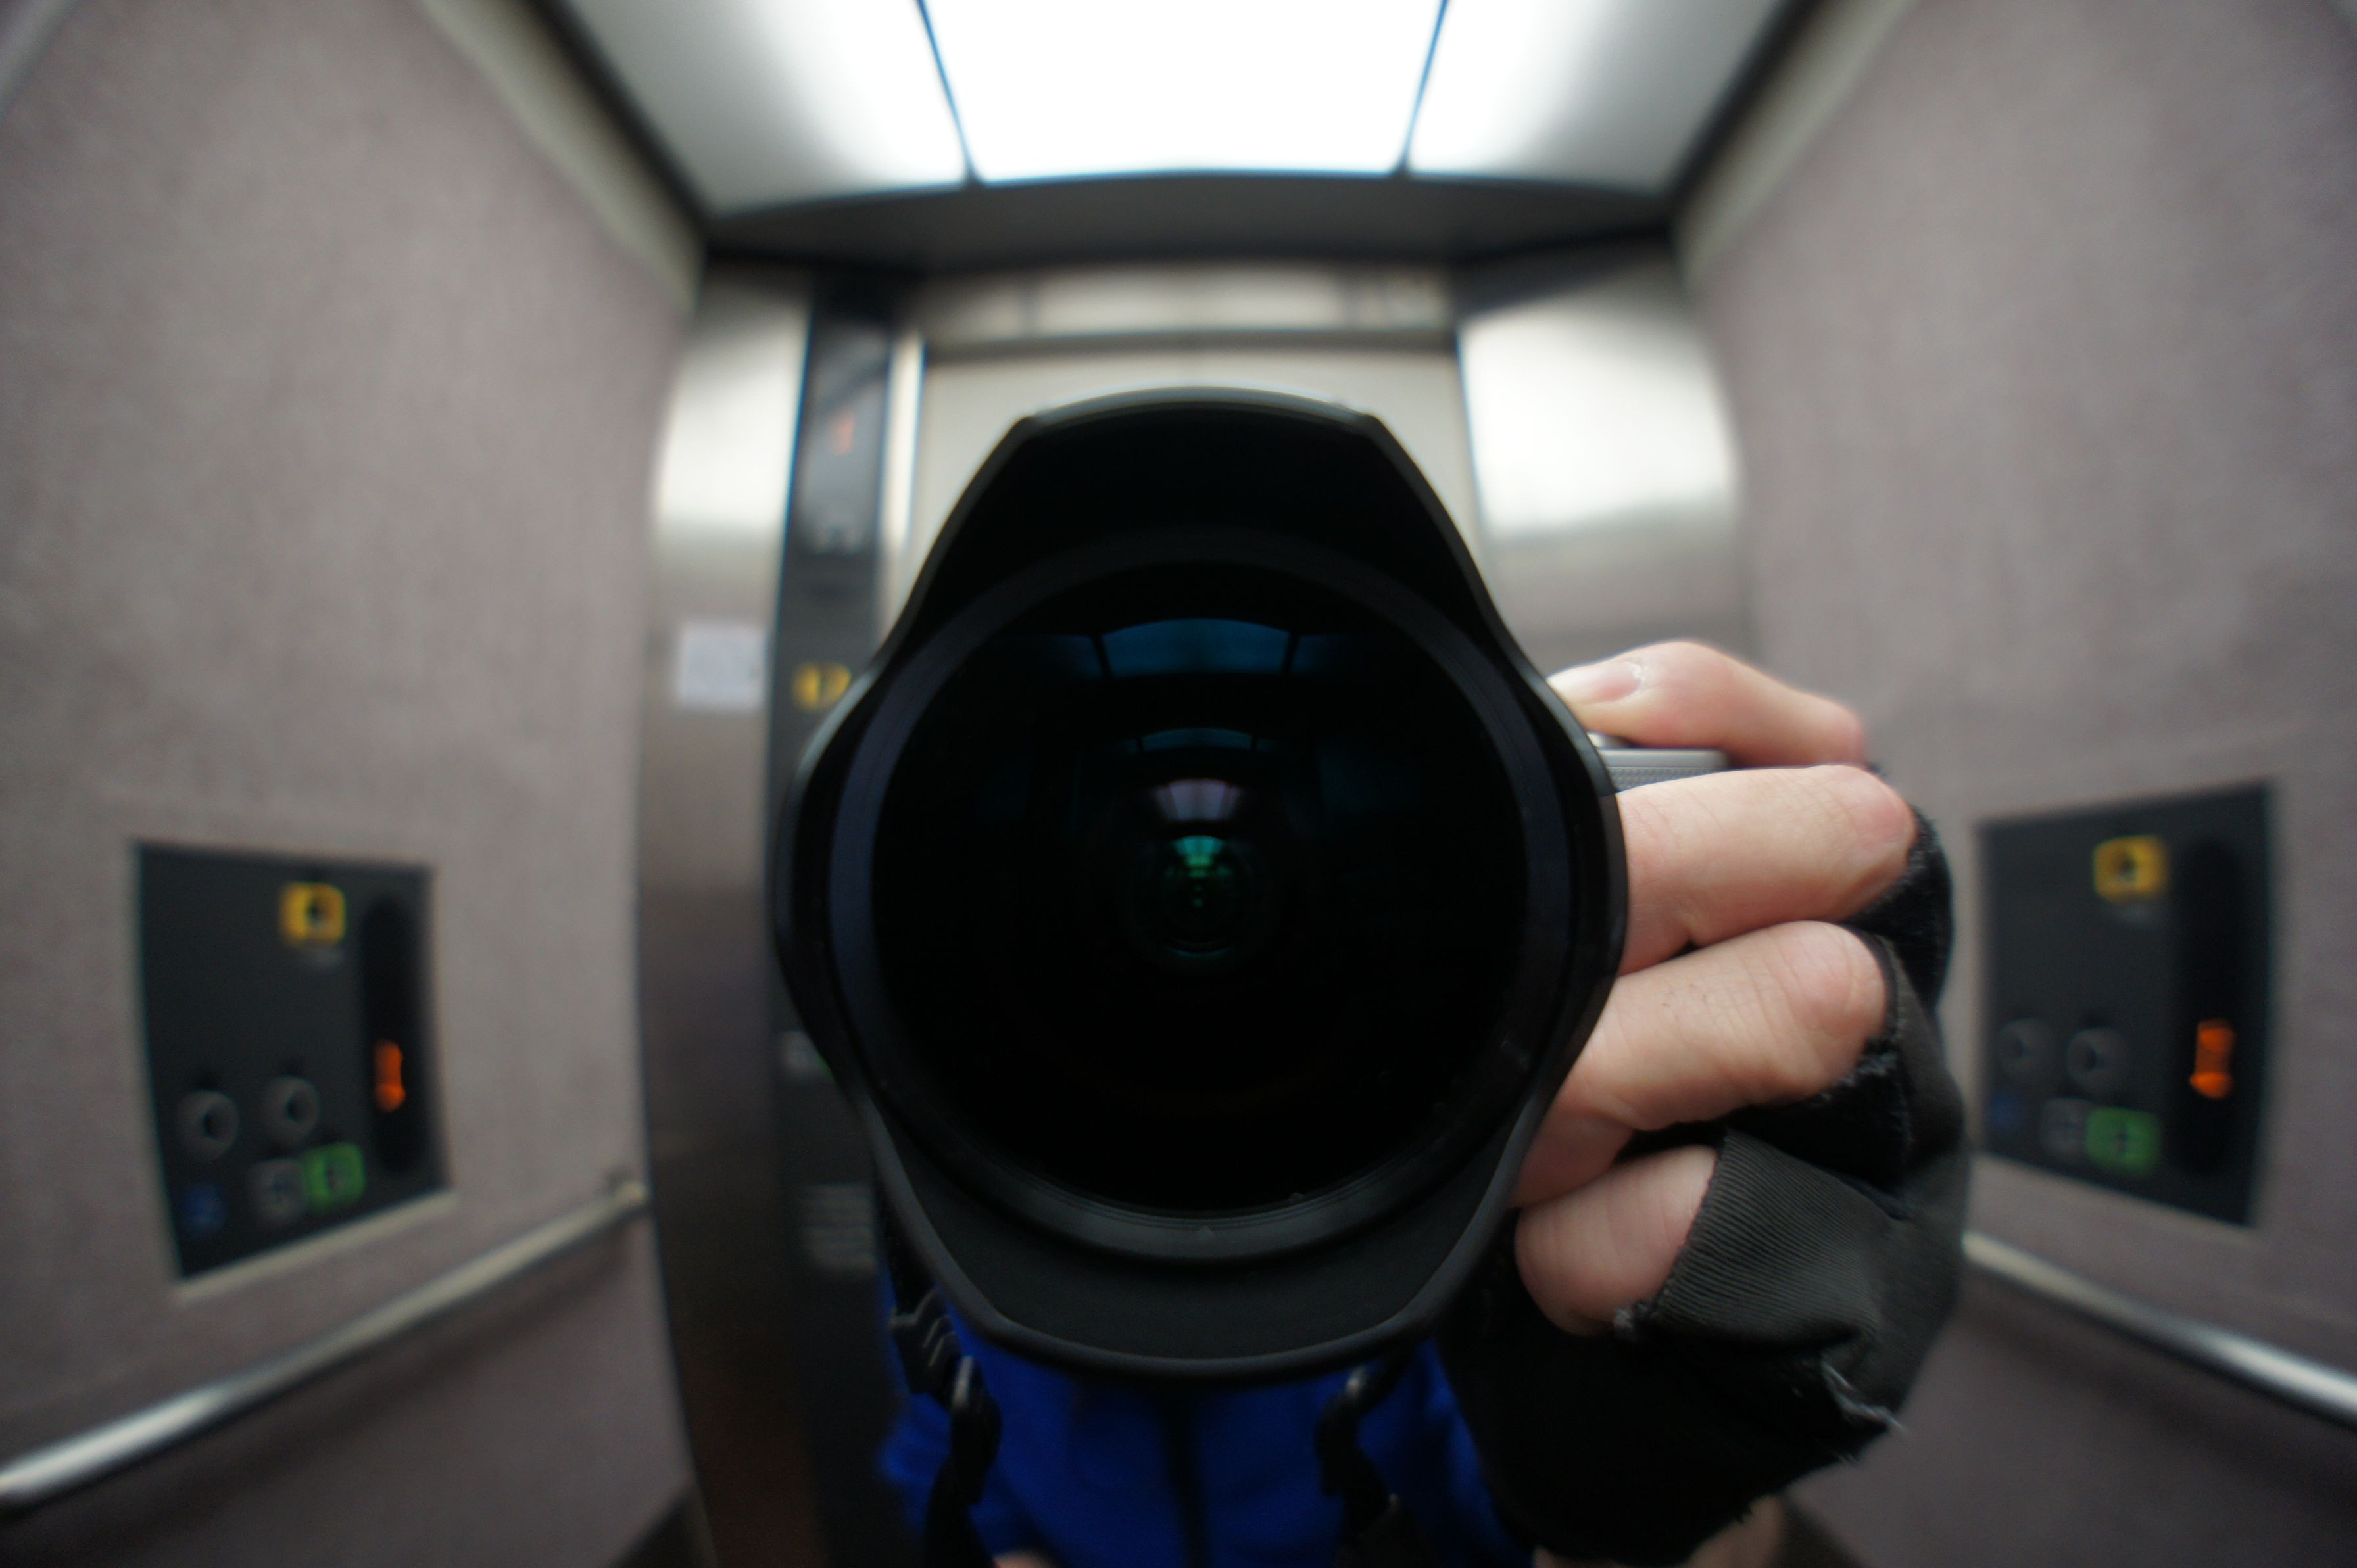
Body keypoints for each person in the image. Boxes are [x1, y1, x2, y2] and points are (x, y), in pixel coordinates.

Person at [883, 642, 1966, 1568]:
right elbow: (966, 1491)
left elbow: (1595, 1522)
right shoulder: (962, 1184)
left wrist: (1682, 1447)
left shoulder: (1459, 1162)